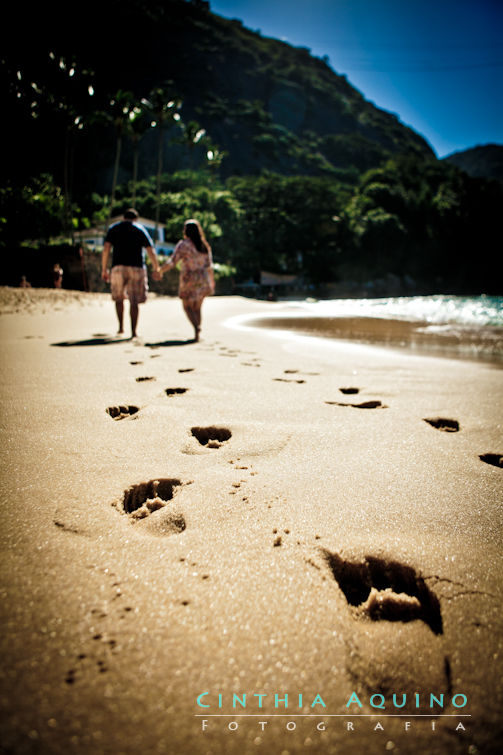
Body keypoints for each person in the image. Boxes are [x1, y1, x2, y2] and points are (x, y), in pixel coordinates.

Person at [101, 208, 161, 339]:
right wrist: (156, 268)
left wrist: (104, 268)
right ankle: (134, 332)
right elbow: (150, 250)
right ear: (135, 219)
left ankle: (121, 328)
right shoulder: (139, 229)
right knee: (134, 300)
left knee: (118, 298)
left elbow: (106, 248)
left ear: (124, 218)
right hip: (136, 267)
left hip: (118, 266)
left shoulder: (114, 228)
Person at [159, 218, 215, 342]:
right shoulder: (204, 246)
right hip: (203, 279)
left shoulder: (184, 245)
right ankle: (197, 334)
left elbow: (173, 261)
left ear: (186, 231)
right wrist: (211, 282)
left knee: (187, 307)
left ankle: (196, 327)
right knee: (197, 308)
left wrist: (161, 270)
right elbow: (209, 266)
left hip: (188, 278)